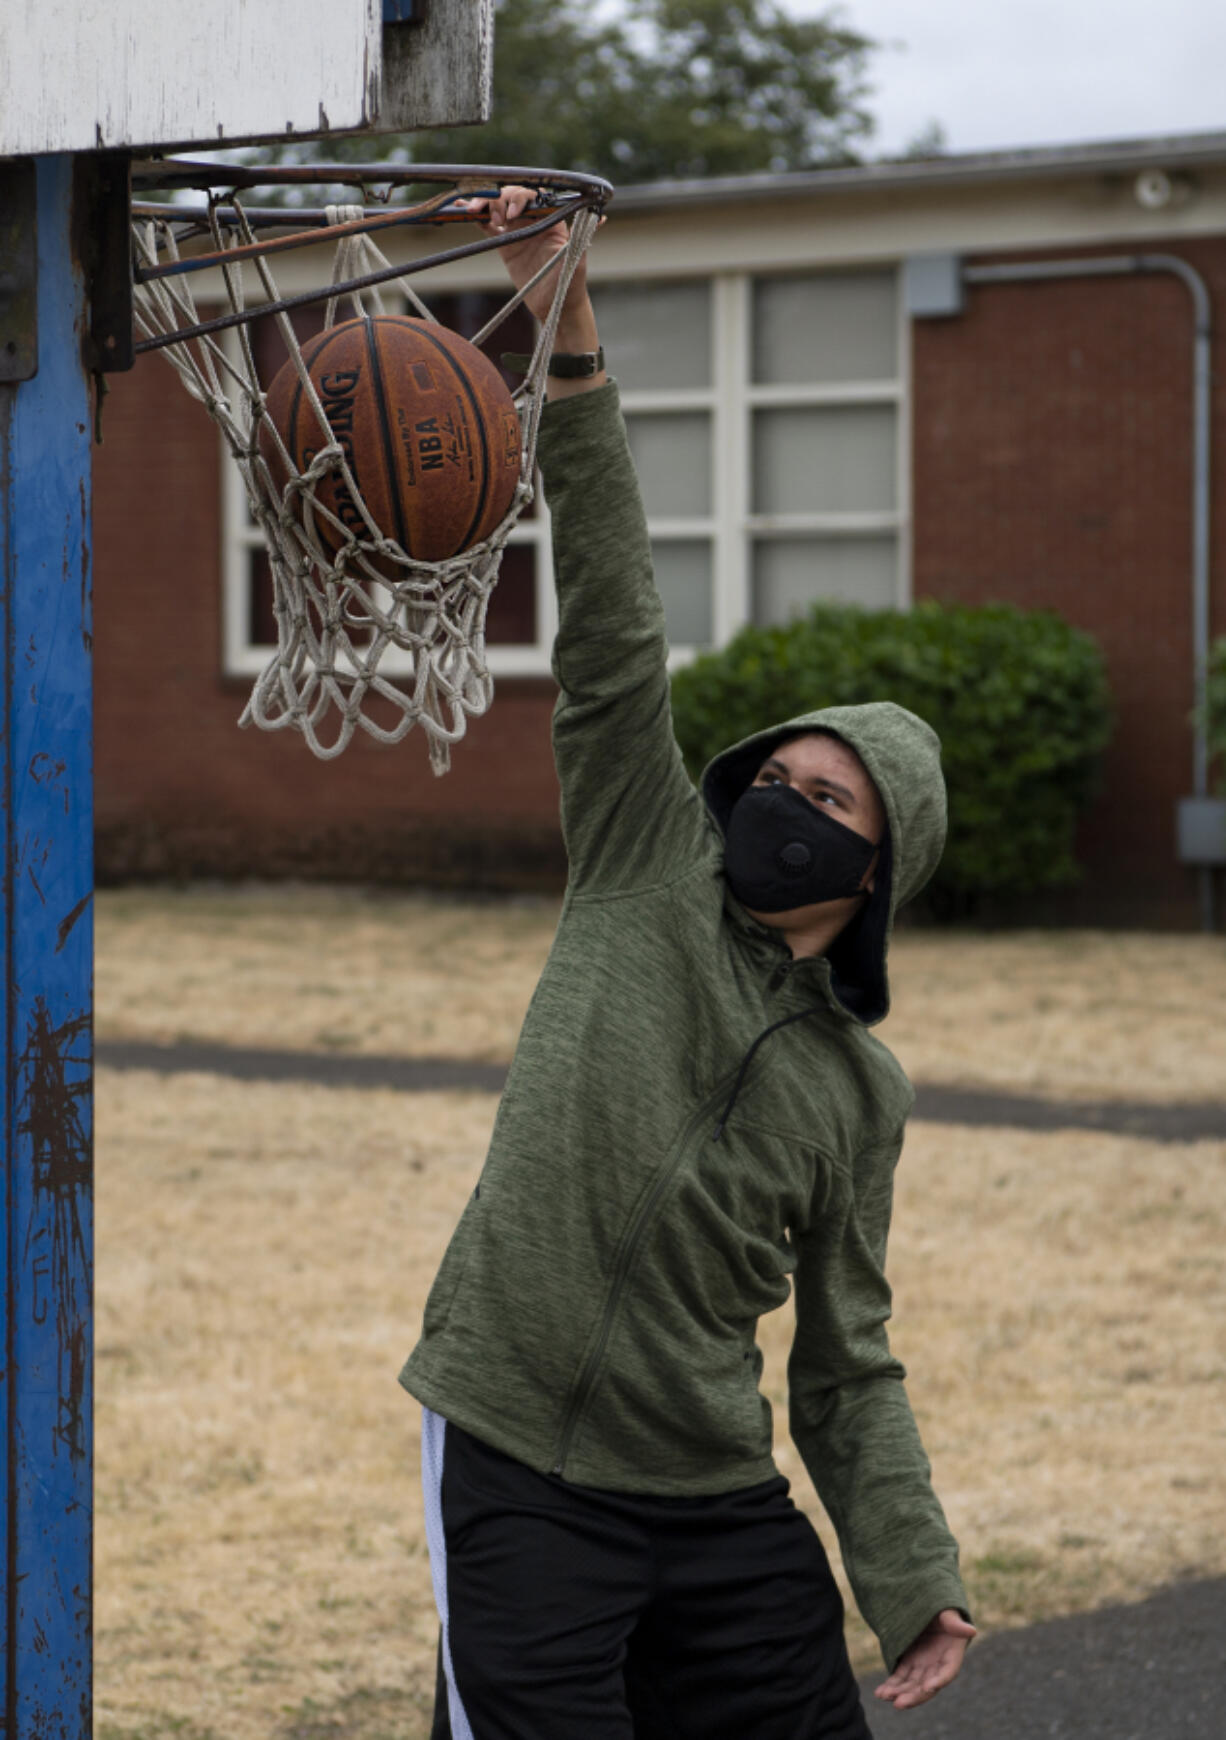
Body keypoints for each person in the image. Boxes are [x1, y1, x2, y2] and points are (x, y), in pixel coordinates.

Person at [400, 189, 976, 1740]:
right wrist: (561, 335)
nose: (783, 805)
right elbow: (614, 620)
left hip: (715, 1494)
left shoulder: (858, 1090)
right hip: (523, 1457)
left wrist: (910, 1568)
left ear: (873, 869)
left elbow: (848, 1364)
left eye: (827, 800)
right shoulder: (644, 859)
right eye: (776, 779)